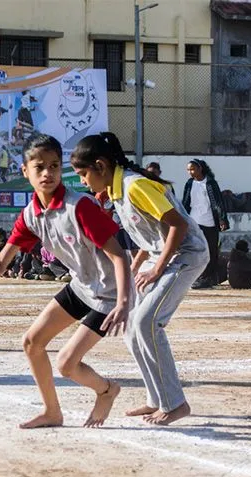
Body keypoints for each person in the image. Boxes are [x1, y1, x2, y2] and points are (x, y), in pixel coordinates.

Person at [0, 134, 131, 429]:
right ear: (25, 171)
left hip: (110, 294)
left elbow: (119, 256)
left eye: (54, 166)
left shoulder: (81, 207)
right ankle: (52, 412)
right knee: (32, 342)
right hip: (82, 286)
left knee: (66, 364)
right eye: (40, 167)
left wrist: (125, 301)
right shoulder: (30, 215)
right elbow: (2, 261)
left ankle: (107, 390)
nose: (48, 173)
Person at [70, 132, 209, 426]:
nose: (82, 182)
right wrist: (139, 263)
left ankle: (176, 403)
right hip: (165, 257)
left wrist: (157, 267)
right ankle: (156, 399)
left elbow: (177, 225)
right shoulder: (118, 191)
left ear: (100, 166)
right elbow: (150, 232)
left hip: (187, 255)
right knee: (133, 326)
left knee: (148, 322)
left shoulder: (135, 186)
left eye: (83, 174)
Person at [182, 159, 229, 289]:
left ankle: (209, 277)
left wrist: (222, 219)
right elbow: (185, 201)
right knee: (195, 250)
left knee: (211, 250)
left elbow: (218, 202)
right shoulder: (190, 183)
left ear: (200, 169)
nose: (190, 172)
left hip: (209, 222)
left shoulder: (210, 183)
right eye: (188, 170)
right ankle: (198, 276)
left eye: (192, 169)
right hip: (194, 222)